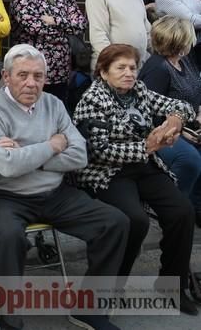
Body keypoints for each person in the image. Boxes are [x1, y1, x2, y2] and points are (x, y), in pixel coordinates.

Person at [0, 44, 128, 330]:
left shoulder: (54, 104)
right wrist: (53, 145)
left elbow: (80, 155)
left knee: (115, 222)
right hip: (5, 195)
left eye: (38, 76)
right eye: (23, 75)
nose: (31, 83)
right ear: (6, 76)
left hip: (53, 192)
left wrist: (28, 152)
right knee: (9, 238)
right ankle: (10, 320)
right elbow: (6, 166)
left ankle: (89, 309)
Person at [73, 43, 197, 315]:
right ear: (104, 72)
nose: (129, 73)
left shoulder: (138, 90)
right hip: (108, 171)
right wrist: (147, 147)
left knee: (182, 212)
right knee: (135, 220)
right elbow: (99, 151)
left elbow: (181, 104)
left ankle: (171, 285)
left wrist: (175, 120)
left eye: (132, 67)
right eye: (121, 68)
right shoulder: (94, 99)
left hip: (143, 166)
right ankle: (113, 285)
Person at [139, 15, 201, 225]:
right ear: (179, 40)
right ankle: (171, 205)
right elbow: (147, 111)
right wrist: (180, 129)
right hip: (159, 130)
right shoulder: (158, 67)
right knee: (189, 159)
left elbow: (195, 94)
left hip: (190, 126)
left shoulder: (185, 61)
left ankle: (195, 206)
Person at [11, 0, 87, 105]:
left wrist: (55, 20)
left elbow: (81, 25)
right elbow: (34, 27)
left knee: (55, 113)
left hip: (61, 71)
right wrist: (66, 26)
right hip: (31, 71)